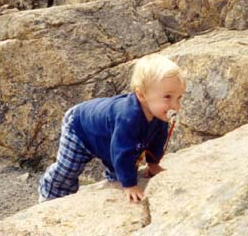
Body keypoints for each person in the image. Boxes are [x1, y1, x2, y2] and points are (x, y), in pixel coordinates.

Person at [38, 54, 186, 203]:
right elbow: (122, 152)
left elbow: (157, 141)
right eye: (167, 97)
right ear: (141, 94)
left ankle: (115, 174)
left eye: (178, 97)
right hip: (79, 129)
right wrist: (130, 185)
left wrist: (153, 164)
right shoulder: (128, 118)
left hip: (106, 136)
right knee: (67, 170)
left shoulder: (159, 114)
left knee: (121, 168)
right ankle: (49, 193)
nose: (175, 105)